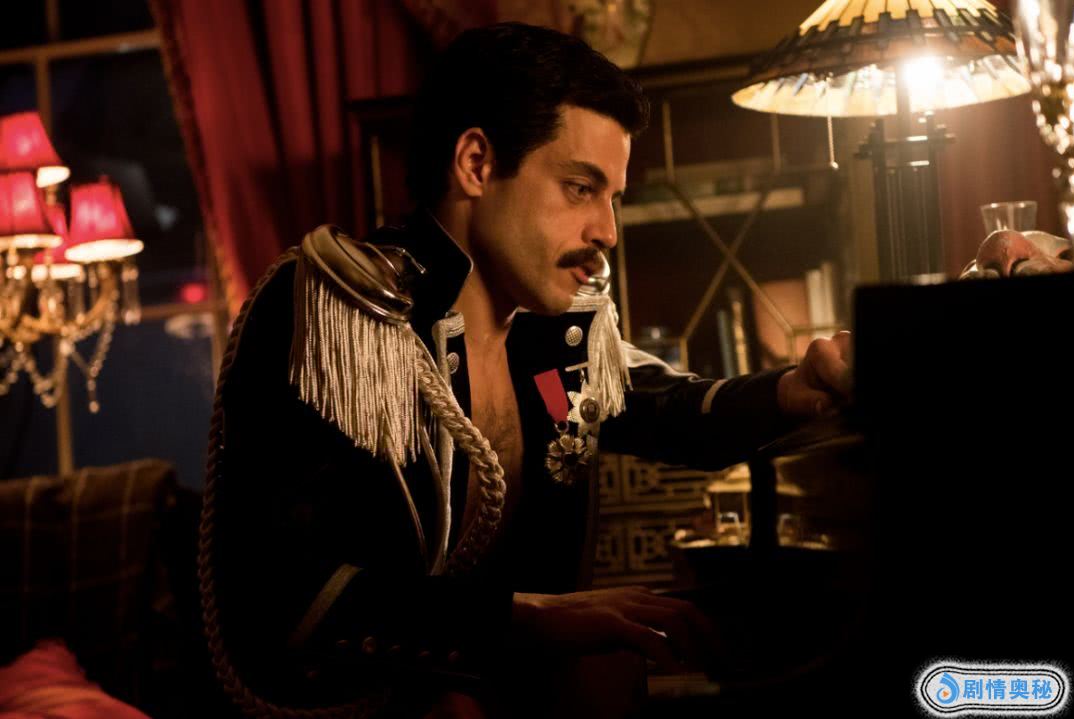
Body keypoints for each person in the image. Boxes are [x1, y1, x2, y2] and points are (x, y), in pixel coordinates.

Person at [200, 21, 853, 719]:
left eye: (613, 197)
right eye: (579, 187)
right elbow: (278, 595)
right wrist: (531, 620)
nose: (607, 231)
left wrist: (795, 389)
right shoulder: (335, 307)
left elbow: (669, 409)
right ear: (476, 163)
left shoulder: (555, 331)